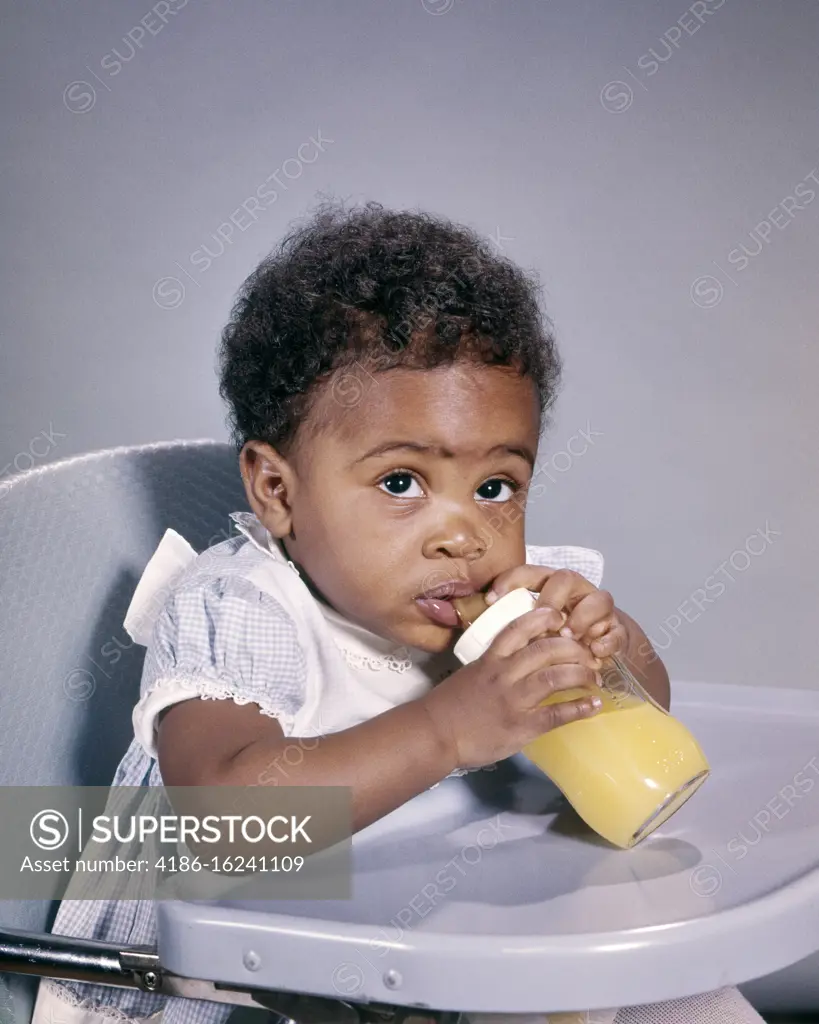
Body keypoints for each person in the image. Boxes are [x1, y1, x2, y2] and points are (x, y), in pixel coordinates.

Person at [31, 201, 764, 1024]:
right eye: (401, 484)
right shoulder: (240, 607)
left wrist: (611, 653)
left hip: (424, 950)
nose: (462, 535)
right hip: (213, 987)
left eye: (495, 488)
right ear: (277, 492)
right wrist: (449, 728)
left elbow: (647, 713)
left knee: (676, 992)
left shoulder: (503, 602)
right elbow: (221, 823)